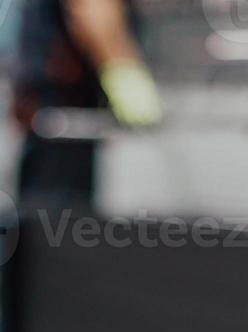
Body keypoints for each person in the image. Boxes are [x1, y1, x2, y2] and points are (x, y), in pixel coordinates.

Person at [13, 0, 162, 206]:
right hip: (64, 112)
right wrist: (123, 72)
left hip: (57, 110)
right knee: (57, 212)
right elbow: (93, 10)